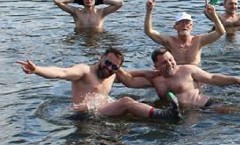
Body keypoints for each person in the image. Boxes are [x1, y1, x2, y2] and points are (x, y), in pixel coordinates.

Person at [17, 47, 180, 121]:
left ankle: (159, 115)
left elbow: (130, 76)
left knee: (139, 105)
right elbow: (61, 72)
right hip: (82, 114)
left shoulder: (111, 74)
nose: (109, 68)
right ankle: (165, 115)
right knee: (126, 102)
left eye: (114, 67)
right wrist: (37, 69)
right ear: (101, 58)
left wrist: (150, 74)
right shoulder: (84, 71)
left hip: (100, 112)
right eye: (107, 63)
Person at [121, 48, 240, 111]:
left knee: (230, 111)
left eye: (171, 60)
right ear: (156, 66)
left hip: (204, 106)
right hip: (175, 112)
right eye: (164, 62)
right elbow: (128, 82)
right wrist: (142, 72)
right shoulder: (155, 79)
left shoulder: (188, 70)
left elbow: (212, 78)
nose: (169, 64)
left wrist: (236, 79)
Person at [144, 0, 225, 65]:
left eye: (187, 23)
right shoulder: (169, 41)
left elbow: (221, 32)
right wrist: (149, 11)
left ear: (191, 26)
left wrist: (213, 14)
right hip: (177, 74)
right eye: (181, 22)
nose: (184, 25)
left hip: (195, 74)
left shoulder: (198, 40)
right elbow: (149, 31)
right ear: (175, 26)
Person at [53, 0, 124, 32]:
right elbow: (57, 0)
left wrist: (101, 0)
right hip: (80, 40)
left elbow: (120, 3)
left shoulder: (101, 12)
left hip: (98, 39)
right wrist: (76, 0)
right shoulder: (76, 12)